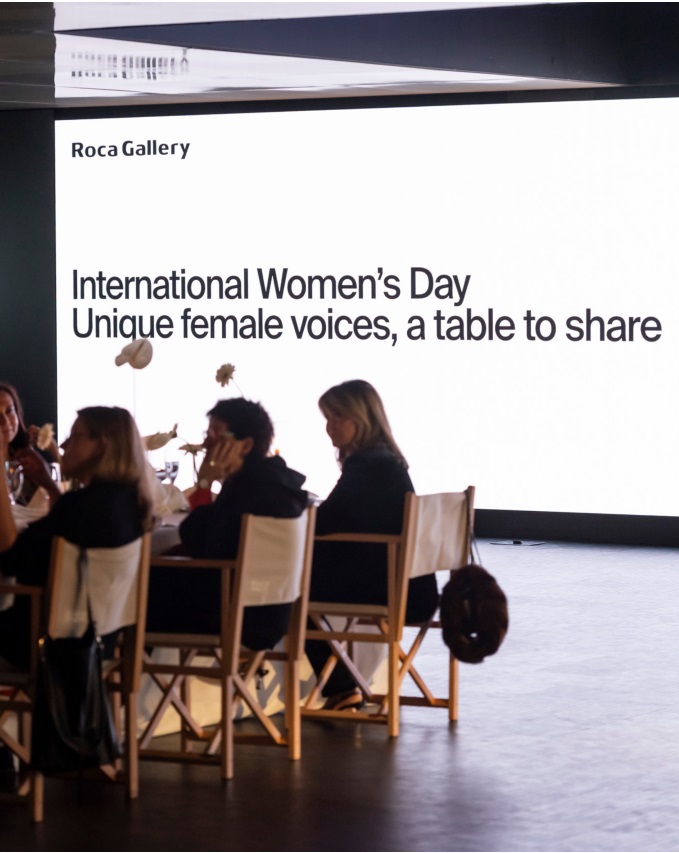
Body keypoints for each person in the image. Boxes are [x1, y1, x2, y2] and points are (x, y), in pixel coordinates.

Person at [307, 379, 438, 710]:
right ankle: (340, 686)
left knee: (288, 589)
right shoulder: (387, 460)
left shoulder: (367, 464)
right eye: (327, 418)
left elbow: (326, 521)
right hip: (413, 588)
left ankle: (340, 688)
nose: (329, 427)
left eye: (337, 417)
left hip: (387, 591)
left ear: (361, 418)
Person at [146, 398, 308, 650]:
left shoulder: (252, 490)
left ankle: (121, 671)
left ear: (246, 445)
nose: (205, 443)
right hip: (267, 613)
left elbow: (198, 541)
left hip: (236, 615)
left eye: (215, 435)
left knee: (133, 591)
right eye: (206, 434)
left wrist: (204, 484)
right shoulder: (273, 481)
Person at [0, 405, 153, 668]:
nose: (64, 445)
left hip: (39, 643)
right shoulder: (130, 502)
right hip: (97, 641)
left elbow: (10, 559)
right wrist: (48, 484)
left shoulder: (81, 506)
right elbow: (65, 531)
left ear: (100, 445)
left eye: (74, 436)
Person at [0, 381, 60, 506]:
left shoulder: (25, 459)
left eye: (9, 411)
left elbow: (63, 499)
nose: (5, 421)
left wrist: (52, 448)